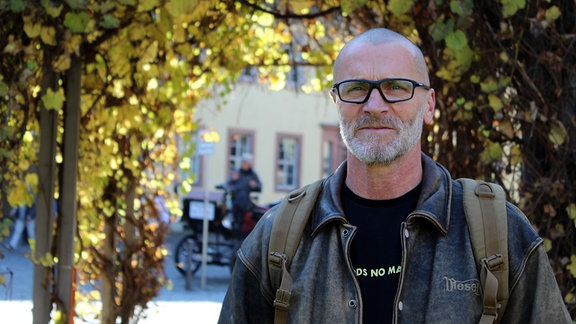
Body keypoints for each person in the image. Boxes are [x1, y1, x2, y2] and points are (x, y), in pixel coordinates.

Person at [218, 28, 572, 323]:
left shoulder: (497, 233)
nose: (374, 105)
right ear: (336, 101)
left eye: (397, 86)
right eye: (356, 88)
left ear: (429, 104)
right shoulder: (279, 237)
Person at [226, 153, 262, 237]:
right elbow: (228, 184)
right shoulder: (237, 173)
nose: (245, 164)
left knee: (244, 197)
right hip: (235, 201)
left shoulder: (252, 175)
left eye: (247, 163)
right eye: (243, 162)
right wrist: (233, 179)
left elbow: (259, 187)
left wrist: (255, 185)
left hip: (246, 202)